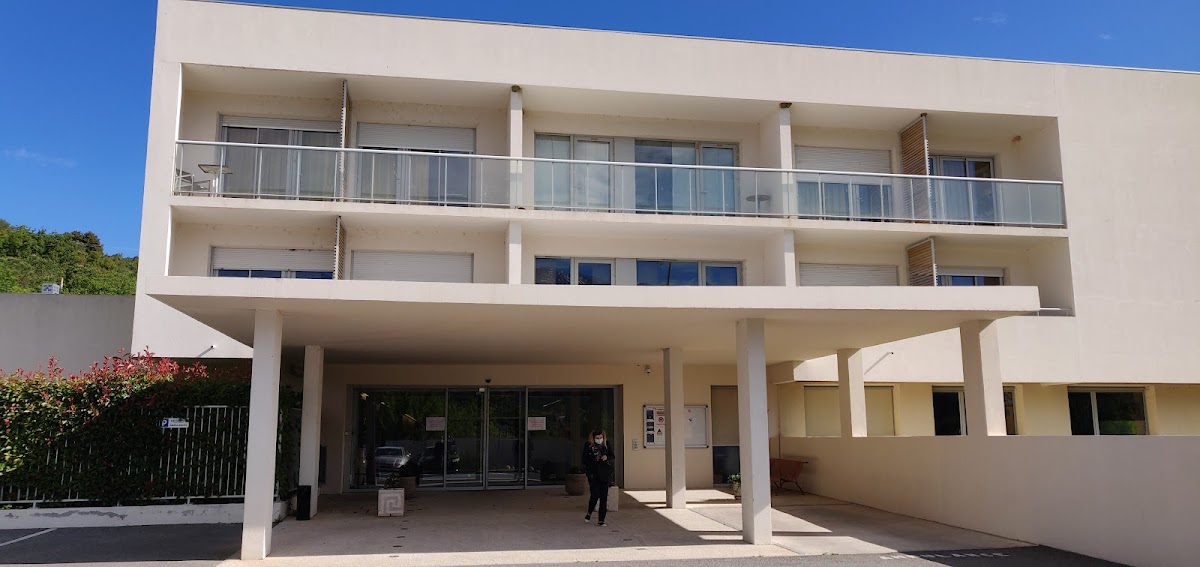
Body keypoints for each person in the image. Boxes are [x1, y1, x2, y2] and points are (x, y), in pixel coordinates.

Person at [582, 429, 615, 526]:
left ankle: (601, 520)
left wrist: (606, 457)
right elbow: (584, 460)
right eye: (597, 438)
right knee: (595, 495)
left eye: (601, 438)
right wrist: (593, 459)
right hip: (593, 474)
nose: (599, 439)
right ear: (593, 438)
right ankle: (589, 512)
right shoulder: (587, 446)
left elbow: (612, 456)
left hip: (604, 474)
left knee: (604, 498)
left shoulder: (606, 444)